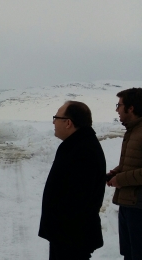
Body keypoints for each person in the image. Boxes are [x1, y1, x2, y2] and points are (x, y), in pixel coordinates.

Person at [39, 101, 106, 260]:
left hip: (71, 239)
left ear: (68, 123)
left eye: (56, 117)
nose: (54, 122)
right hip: (65, 236)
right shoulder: (76, 144)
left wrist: (59, 231)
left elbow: (77, 201)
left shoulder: (84, 151)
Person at [107, 88, 142, 260]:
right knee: (129, 255)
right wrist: (117, 171)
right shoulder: (133, 130)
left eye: (119, 105)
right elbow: (134, 162)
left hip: (139, 208)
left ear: (131, 108)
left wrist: (120, 179)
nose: (117, 110)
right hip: (129, 204)